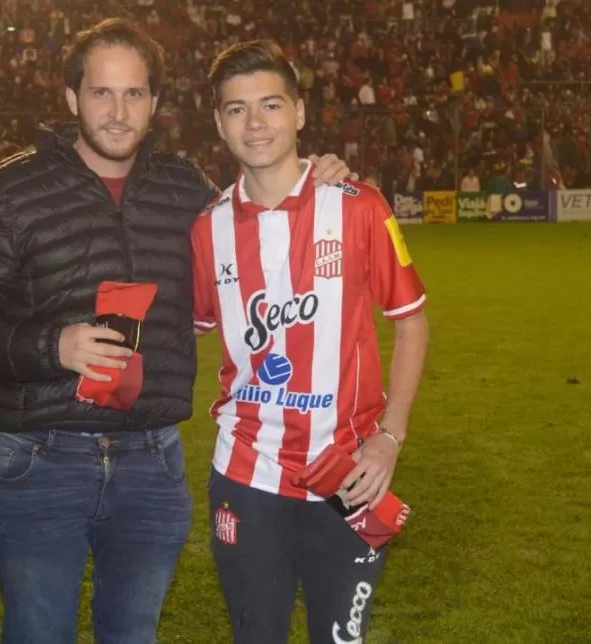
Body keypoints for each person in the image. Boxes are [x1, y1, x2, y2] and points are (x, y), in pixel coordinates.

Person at [0, 18, 352, 644]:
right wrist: (56, 344)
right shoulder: (6, 191)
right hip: (42, 458)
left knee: (133, 634)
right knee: (37, 631)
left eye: (134, 94)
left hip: (151, 461)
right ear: (72, 99)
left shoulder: (187, 191)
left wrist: (316, 181)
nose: (118, 111)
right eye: (102, 93)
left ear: (154, 104)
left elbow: (262, 221)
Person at [191, 40, 431, 643]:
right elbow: (182, 332)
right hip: (246, 476)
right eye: (237, 109)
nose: (256, 123)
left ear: (298, 113)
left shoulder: (359, 206)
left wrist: (390, 440)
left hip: (347, 474)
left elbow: (411, 322)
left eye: (270, 105)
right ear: (219, 124)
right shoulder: (206, 230)